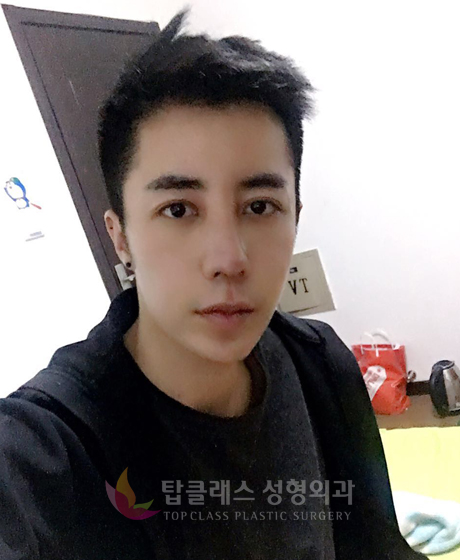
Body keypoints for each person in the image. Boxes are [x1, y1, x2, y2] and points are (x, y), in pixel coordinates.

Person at [0, 8, 427, 560]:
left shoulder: (320, 363)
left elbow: (378, 545)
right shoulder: (47, 452)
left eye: (259, 206)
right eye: (178, 209)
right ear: (120, 236)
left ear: (295, 216)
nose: (229, 259)